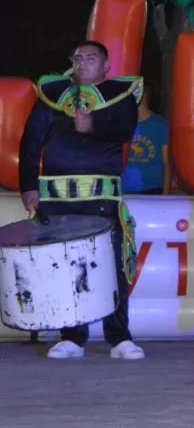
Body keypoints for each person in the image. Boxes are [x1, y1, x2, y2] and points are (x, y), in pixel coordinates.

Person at [18, 40, 145, 360]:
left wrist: (93, 125)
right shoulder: (52, 95)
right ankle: (72, 337)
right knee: (64, 267)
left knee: (111, 266)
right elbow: (31, 141)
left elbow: (125, 130)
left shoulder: (120, 95)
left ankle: (119, 337)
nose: (83, 62)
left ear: (106, 66)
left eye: (91, 58)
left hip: (101, 196)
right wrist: (28, 186)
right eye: (78, 57)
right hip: (56, 196)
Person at [121, 83, 170, 195]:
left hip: (152, 191)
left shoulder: (160, 125)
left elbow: (167, 165)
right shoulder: (123, 124)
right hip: (125, 191)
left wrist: (165, 197)